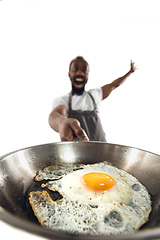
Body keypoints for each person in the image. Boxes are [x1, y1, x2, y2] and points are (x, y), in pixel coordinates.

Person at [49, 56, 137, 142]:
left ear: (87, 74)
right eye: (75, 69)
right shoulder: (62, 100)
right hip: (78, 154)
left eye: (84, 70)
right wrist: (61, 123)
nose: (80, 73)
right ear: (69, 73)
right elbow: (55, 115)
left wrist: (130, 72)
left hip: (102, 153)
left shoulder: (95, 95)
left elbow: (114, 85)